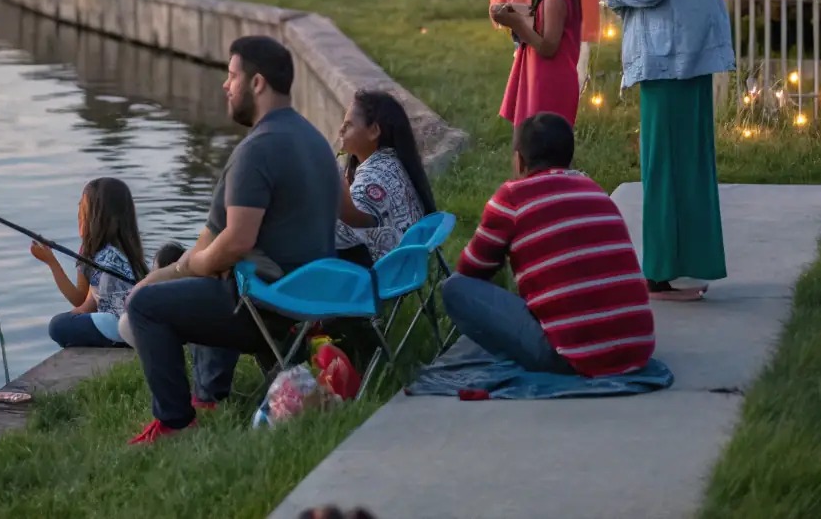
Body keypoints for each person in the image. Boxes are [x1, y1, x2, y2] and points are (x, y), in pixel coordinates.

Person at [124, 36, 341, 444]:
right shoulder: (314, 140)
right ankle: (206, 396)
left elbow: (235, 241)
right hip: (316, 299)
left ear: (257, 83)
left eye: (232, 75)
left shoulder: (256, 150)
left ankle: (174, 423)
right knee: (196, 279)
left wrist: (182, 270)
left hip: (269, 306)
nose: (226, 85)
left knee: (146, 307)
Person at [592, 0, 733, 302]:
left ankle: (665, 270)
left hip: (668, 51)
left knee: (662, 164)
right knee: (689, 161)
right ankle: (691, 265)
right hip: (693, 46)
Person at [443, 113, 654, 377]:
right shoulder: (594, 190)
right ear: (569, 158)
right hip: (638, 348)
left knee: (455, 289)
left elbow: (471, 270)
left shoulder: (512, 197)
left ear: (519, 161)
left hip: (573, 360)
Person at [31, 176, 148, 348]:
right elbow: (88, 303)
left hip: (117, 326)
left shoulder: (93, 253)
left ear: (95, 218)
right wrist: (75, 317)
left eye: (82, 211)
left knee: (57, 325)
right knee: (65, 322)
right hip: (136, 322)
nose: (79, 215)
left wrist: (52, 263)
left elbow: (80, 300)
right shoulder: (126, 251)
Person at [490, 0, 581, 132]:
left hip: (549, 87)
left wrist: (517, 24)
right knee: (529, 140)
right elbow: (537, 19)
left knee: (541, 142)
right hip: (538, 82)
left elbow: (548, 47)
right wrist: (513, 13)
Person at [335, 90, 436, 267]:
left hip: (378, 278)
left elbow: (342, 230)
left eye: (348, 125)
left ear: (374, 131)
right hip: (405, 272)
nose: (340, 130)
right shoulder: (395, 164)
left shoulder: (372, 179)